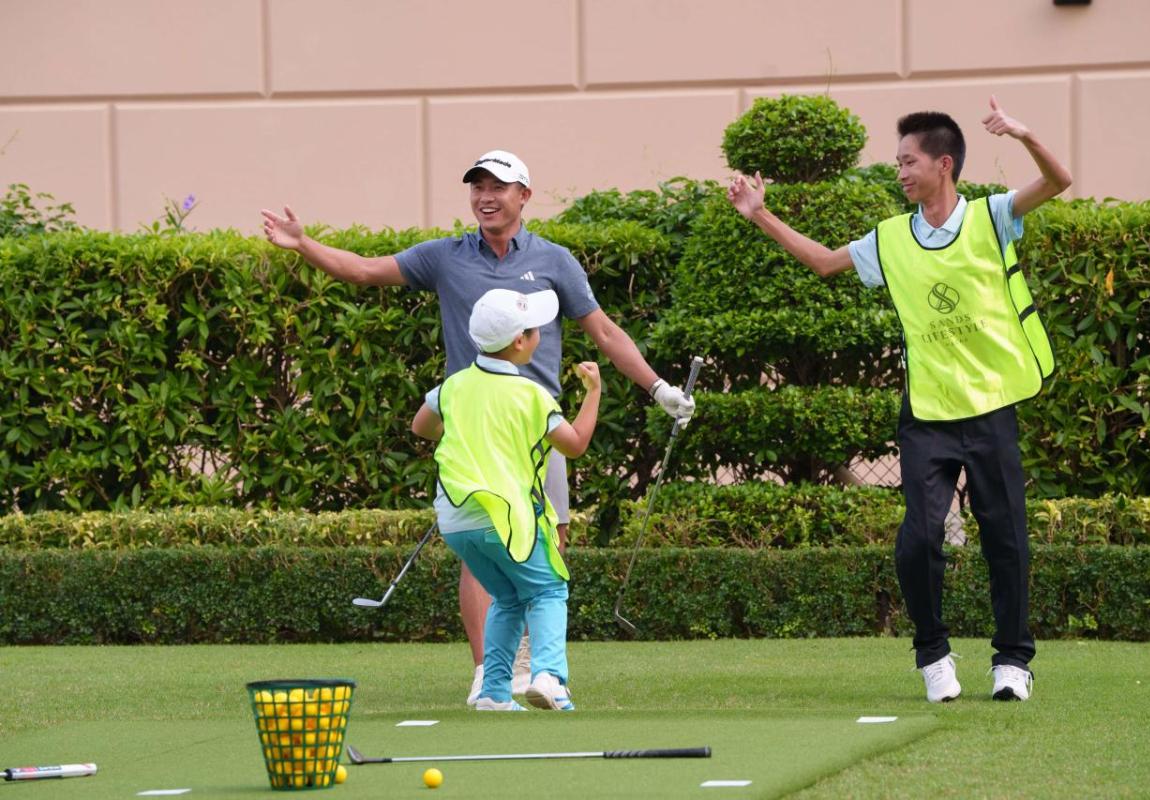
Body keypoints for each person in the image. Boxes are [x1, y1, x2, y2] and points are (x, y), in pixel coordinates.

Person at [261, 150, 695, 705]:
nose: (485, 196)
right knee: (487, 551)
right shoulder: (445, 257)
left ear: (524, 196)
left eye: (498, 186)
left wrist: (659, 389)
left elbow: (605, 333)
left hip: (539, 423)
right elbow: (366, 270)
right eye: (477, 187)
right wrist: (304, 245)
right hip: (477, 427)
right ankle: (491, 674)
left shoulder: (554, 261)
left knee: (549, 542)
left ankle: (530, 670)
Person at [726, 96, 1071, 702]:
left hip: (991, 406)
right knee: (918, 538)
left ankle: (1013, 662)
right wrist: (760, 215)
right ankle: (933, 655)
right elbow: (826, 263)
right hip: (927, 415)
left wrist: (1022, 132)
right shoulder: (890, 238)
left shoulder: (993, 216)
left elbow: (1058, 180)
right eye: (896, 161)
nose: (899, 171)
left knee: (1006, 538)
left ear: (944, 164)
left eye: (908, 161)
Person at [411, 287, 600, 711]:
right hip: (509, 518)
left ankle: (495, 693)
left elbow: (421, 427)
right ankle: (549, 677)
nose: (541, 335)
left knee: (509, 597)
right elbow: (574, 445)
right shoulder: (531, 395)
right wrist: (593, 392)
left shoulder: (452, 387)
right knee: (550, 589)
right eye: (536, 330)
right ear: (519, 342)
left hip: (458, 521)